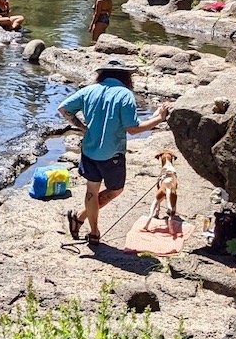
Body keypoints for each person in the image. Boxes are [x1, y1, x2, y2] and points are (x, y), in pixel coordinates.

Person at [58, 58, 170, 245]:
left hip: (89, 150)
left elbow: (63, 109)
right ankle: (79, 218)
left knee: (91, 190)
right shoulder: (125, 95)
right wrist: (159, 118)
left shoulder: (88, 90)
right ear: (126, 76)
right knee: (115, 189)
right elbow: (133, 129)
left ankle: (90, 229)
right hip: (112, 155)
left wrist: (82, 127)